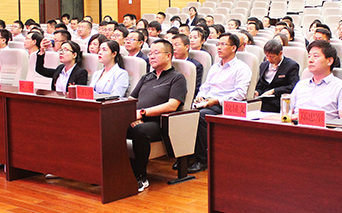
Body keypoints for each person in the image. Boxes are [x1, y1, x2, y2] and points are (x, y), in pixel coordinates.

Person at [128, 39, 188, 192]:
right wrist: (131, 116)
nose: (151, 56)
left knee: (140, 131)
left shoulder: (177, 78)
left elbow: (172, 105)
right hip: (137, 118)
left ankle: (141, 177)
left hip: (160, 123)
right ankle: (116, 171)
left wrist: (142, 113)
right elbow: (131, 100)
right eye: (150, 53)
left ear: (168, 56)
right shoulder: (146, 77)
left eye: (156, 53)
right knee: (109, 125)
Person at [190, 33, 252, 174]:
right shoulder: (215, 67)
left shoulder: (242, 68)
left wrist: (217, 101)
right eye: (218, 44)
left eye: (223, 44)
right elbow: (205, 86)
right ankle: (186, 155)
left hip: (225, 106)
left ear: (233, 48)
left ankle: (202, 160)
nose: (219, 47)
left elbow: (240, 94)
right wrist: (200, 96)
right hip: (207, 102)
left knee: (201, 116)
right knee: (184, 114)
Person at [289, 40, 342, 121]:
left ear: (329, 61)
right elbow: (287, 114)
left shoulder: (341, 87)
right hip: (297, 127)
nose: (310, 60)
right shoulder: (300, 85)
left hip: (325, 128)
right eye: (309, 56)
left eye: (315, 56)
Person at [254, 39, 300, 112]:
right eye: (267, 56)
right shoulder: (264, 65)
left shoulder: (291, 66)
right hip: (263, 101)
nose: (269, 59)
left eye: (272, 57)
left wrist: (274, 91)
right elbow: (261, 84)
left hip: (279, 101)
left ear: (280, 53)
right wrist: (257, 92)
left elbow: (293, 86)